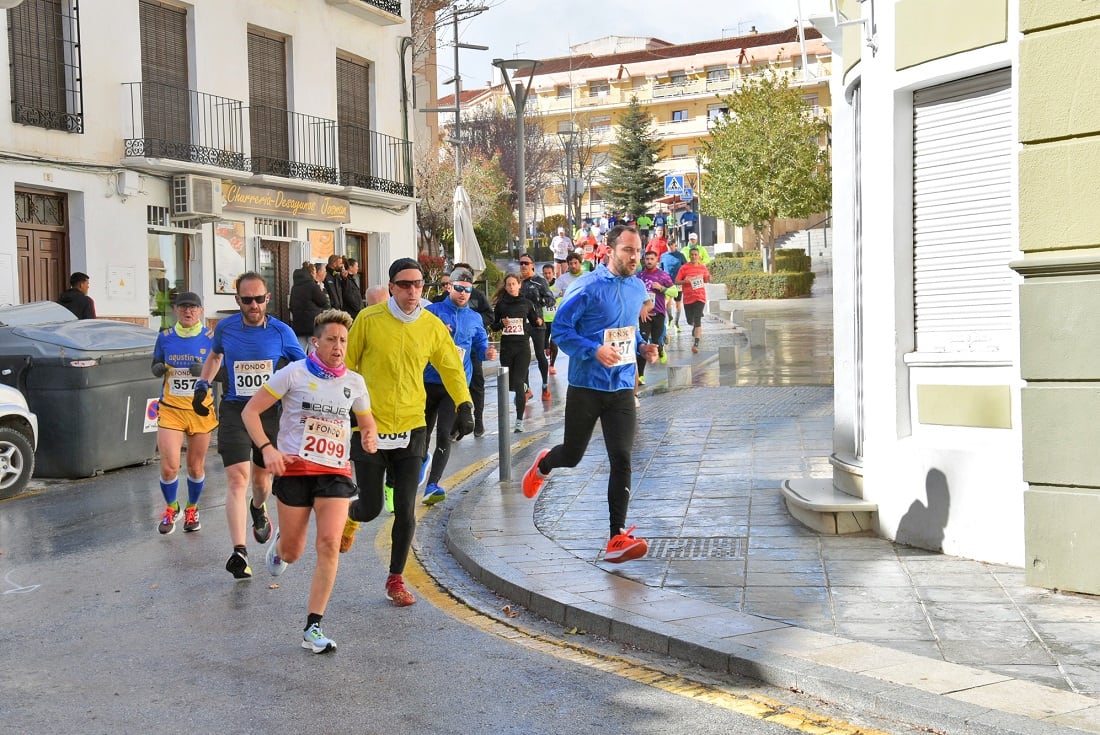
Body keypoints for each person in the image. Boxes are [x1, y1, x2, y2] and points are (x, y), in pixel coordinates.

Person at [242, 309, 378, 654]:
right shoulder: (294, 373)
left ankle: (313, 626)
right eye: (331, 339)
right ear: (315, 342)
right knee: (293, 550)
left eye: (343, 340)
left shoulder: (354, 382)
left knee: (330, 543)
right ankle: (281, 545)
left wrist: (369, 437)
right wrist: (268, 449)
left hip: (334, 471)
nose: (338, 346)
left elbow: (367, 420)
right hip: (295, 470)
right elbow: (250, 412)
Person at [341, 257, 474, 607]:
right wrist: (342, 411)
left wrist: (464, 405)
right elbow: (348, 367)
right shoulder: (368, 321)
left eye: (418, 285)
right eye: (404, 285)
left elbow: (451, 367)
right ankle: (352, 517)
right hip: (370, 424)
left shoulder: (431, 325)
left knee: (405, 508)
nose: (412, 291)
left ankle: (396, 578)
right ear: (391, 287)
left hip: (413, 427)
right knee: (370, 507)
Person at [522, 225, 658, 563]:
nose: (635, 256)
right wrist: (593, 350)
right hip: (586, 386)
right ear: (609, 250)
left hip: (623, 386)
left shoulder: (637, 287)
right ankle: (544, 464)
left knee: (622, 458)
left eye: (638, 250)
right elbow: (563, 332)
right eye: (628, 250)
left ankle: (616, 536)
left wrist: (643, 347)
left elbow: (627, 330)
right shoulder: (586, 287)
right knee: (572, 454)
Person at [194, 272, 306, 580]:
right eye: (247, 300)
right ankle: (239, 552)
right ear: (238, 301)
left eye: (259, 299)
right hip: (234, 411)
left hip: (269, 415)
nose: (254, 305)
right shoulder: (226, 328)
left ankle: (259, 508)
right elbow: (215, 356)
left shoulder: (283, 332)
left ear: (268, 299)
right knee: (237, 479)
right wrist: (203, 383)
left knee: (260, 483)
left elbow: (304, 368)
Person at [421, 267, 496, 505]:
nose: (463, 293)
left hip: (454, 385)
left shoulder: (474, 318)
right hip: (427, 381)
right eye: (459, 288)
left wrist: (488, 352)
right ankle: (420, 461)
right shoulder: (431, 313)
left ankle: (432, 485)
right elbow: (418, 342)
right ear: (449, 287)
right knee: (421, 434)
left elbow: (480, 347)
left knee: (444, 433)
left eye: (468, 289)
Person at [151, 292, 216, 535]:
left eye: (193, 308)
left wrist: (205, 372)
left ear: (200, 311)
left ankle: (192, 508)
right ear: (176, 311)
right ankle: (171, 508)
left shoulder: (211, 338)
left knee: (195, 467)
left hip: (200, 410)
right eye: (183, 308)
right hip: (171, 410)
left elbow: (221, 371)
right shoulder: (165, 337)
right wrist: (157, 368)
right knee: (169, 467)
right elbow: (155, 363)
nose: (188, 312)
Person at [493, 273, 542, 433]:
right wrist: (502, 323)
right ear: (505, 287)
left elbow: (535, 323)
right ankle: (522, 387)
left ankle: (519, 421)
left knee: (518, 383)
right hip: (507, 348)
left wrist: (535, 323)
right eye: (509, 284)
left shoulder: (527, 304)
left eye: (514, 284)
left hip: (522, 347)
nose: (512, 287)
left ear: (519, 285)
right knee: (510, 384)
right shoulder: (501, 305)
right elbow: (493, 326)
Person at [453, 262, 494, 438]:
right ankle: (455, 424)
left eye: (467, 276)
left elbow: (490, 315)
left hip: (473, 349)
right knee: (452, 387)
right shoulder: (443, 299)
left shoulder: (477, 295)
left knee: (476, 385)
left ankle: (478, 421)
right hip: (450, 353)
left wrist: (473, 324)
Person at [517, 255, 555, 401]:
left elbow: (551, 300)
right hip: (522, 324)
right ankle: (527, 389)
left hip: (537, 323)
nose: (523, 266)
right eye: (521, 263)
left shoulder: (540, 281)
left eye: (526, 263)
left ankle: (545, 385)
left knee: (540, 354)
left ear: (532, 265)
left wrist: (539, 300)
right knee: (523, 356)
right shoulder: (517, 281)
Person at [636, 251, 675, 380]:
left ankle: (661, 347)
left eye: (652, 259)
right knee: (642, 342)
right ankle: (641, 375)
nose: (649, 261)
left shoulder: (663, 275)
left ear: (656, 260)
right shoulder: (639, 276)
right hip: (644, 315)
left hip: (658, 313)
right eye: (647, 259)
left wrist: (662, 288)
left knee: (656, 341)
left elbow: (675, 292)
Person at [675, 246, 712, 354]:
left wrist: (709, 278)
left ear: (699, 256)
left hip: (700, 297)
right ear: (689, 256)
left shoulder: (702, 268)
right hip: (688, 298)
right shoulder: (684, 268)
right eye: (692, 255)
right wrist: (685, 281)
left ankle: (696, 344)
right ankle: (694, 324)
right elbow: (676, 281)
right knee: (689, 321)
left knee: (697, 320)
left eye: (696, 255)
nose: (694, 257)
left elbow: (707, 279)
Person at [290, 261, 328, 352]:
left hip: (298, 323)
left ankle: (299, 366)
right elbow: (323, 301)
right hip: (312, 324)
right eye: (315, 272)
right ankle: (311, 367)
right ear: (311, 273)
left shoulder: (295, 287)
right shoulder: (313, 286)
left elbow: (291, 305)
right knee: (313, 352)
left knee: (299, 352)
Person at [659, 240, 687, 331]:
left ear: (675, 244)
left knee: (678, 303)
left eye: (672, 244)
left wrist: (684, 279)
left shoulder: (680, 256)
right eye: (669, 245)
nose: (670, 246)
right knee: (667, 302)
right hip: (667, 283)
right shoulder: (663, 256)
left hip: (678, 282)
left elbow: (685, 268)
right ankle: (670, 318)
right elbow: (661, 269)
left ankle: (676, 323)